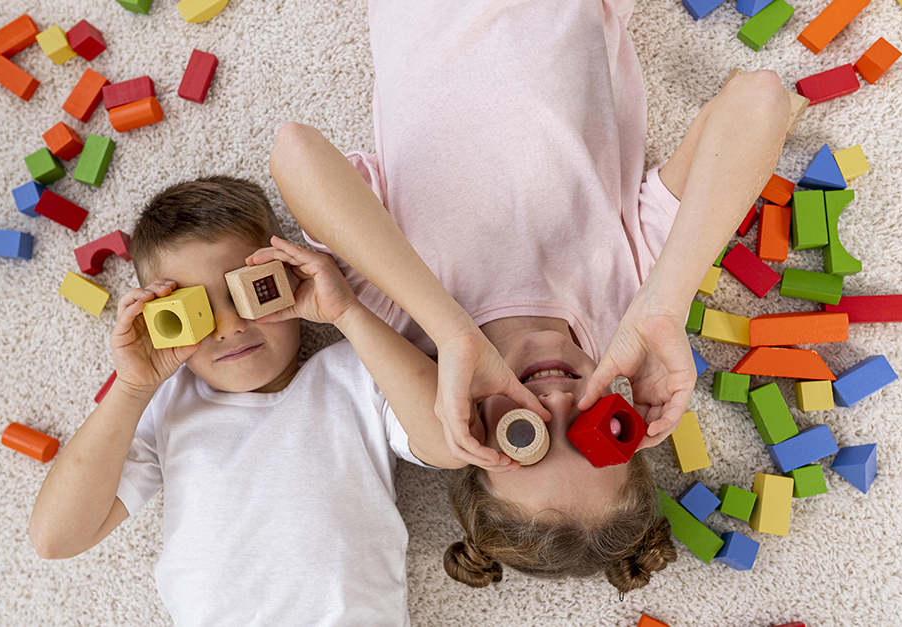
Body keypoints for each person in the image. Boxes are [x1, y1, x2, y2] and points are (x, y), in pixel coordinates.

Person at [263, 0, 791, 593]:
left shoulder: (404, 306)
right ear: (627, 417)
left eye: (526, 434)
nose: (559, 400)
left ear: (471, 431)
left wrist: (453, 330)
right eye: (595, 428)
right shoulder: (633, 299)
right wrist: (665, 305)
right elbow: (761, 98)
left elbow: (295, 151)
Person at [28, 176, 464, 626]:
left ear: (290, 278)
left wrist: (347, 313)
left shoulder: (354, 373)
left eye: (250, 291)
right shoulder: (169, 404)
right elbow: (55, 538)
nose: (230, 326)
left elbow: (451, 442)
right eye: (194, 312)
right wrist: (132, 388)